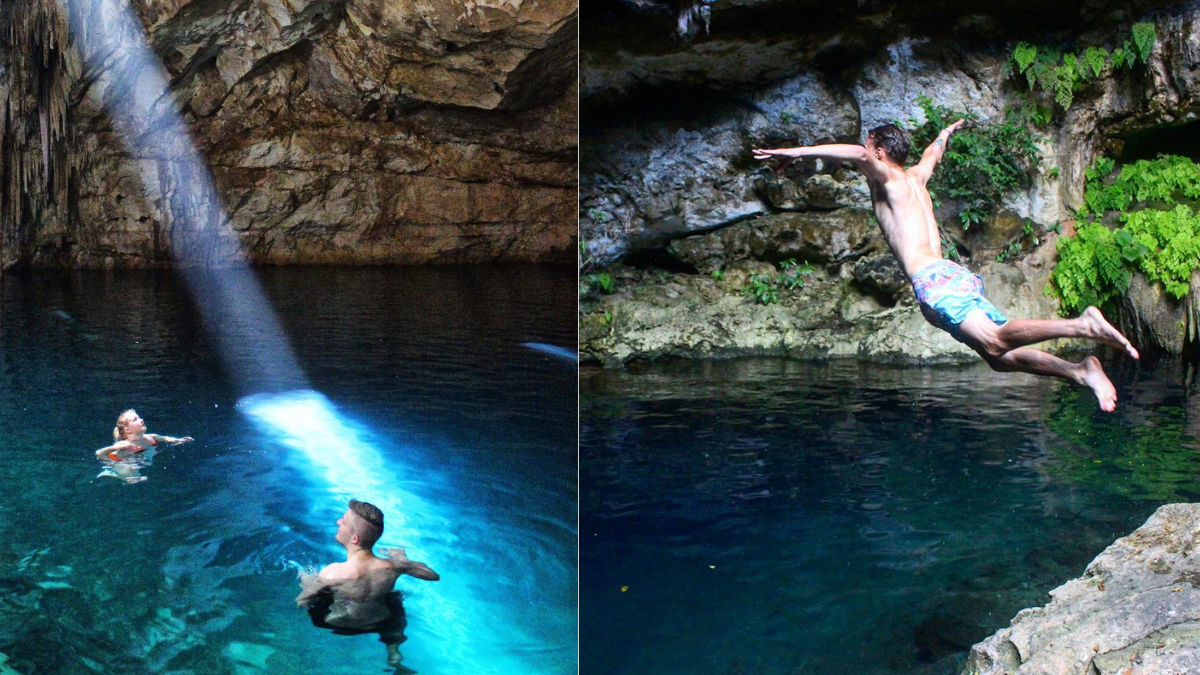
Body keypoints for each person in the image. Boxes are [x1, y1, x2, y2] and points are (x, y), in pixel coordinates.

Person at [753, 121, 1140, 411]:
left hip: (933, 280)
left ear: (880, 153)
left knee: (995, 339)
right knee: (997, 359)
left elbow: (856, 155)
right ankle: (1079, 371)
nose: (865, 154)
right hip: (948, 275)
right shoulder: (917, 178)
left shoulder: (887, 179)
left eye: (870, 148)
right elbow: (932, 153)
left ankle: (1081, 325)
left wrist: (794, 152)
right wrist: (945, 132)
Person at [296, 500, 439, 673]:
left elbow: (303, 601)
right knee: (394, 597)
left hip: (337, 623)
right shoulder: (392, 566)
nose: (338, 522)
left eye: (343, 521)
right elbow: (433, 576)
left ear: (354, 538)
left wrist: (305, 577)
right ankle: (394, 657)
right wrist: (404, 562)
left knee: (318, 592)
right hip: (379, 621)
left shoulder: (333, 572)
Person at [94, 409, 193, 483]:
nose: (141, 419)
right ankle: (116, 474)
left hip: (142, 458)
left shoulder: (151, 437)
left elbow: (166, 438)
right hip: (126, 462)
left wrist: (180, 440)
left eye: (139, 417)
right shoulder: (125, 444)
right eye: (135, 419)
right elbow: (99, 454)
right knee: (129, 470)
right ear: (128, 430)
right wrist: (114, 448)